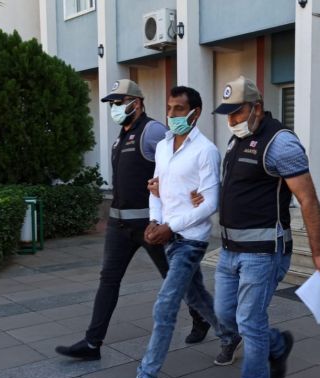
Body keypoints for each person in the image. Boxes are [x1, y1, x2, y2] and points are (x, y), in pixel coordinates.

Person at [54, 79, 210, 361]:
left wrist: (196, 192)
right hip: (119, 225)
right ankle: (92, 343)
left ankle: (202, 319)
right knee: (108, 280)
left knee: (175, 278)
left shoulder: (153, 131)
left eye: (118, 102)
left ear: (135, 103)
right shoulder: (120, 137)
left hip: (151, 226)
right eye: (112, 103)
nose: (114, 108)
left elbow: (180, 160)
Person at [212, 76, 320, 378]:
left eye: (237, 113)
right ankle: (277, 346)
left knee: (249, 321)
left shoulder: (281, 143)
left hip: (263, 252)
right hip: (229, 250)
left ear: (256, 107)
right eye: (227, 114)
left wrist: (319, 252)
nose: (231, 120)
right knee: (225, 316)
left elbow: (308, 199)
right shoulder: (237, 140)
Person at [118, 86, 241, 378]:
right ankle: (230, 336)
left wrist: (169, 226)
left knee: (165, 305)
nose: (171, 114)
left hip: (191, 239)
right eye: (169, 108)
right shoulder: (162, 147)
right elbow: (155, 188)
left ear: (194, 113)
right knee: (196, 296)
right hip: (168, 236)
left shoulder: (206, 151)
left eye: (178, 109)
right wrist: (154, 220)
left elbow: (210, 202)